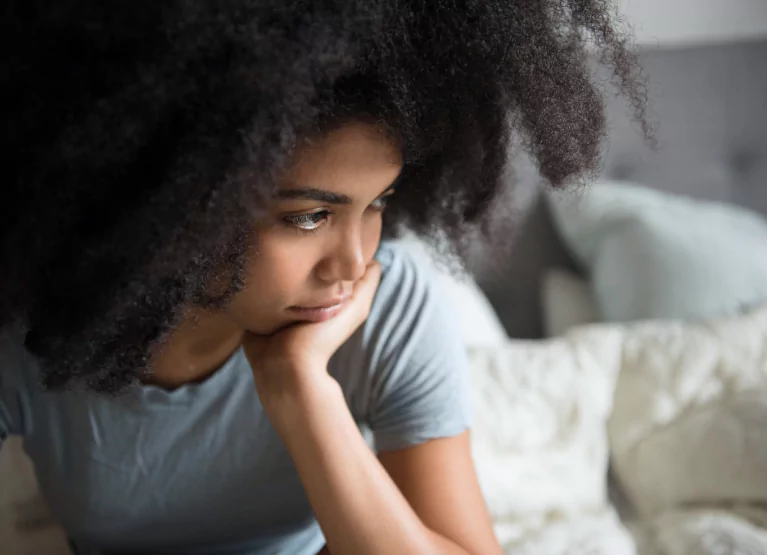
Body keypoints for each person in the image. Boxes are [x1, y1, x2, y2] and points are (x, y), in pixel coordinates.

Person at [0, 1, 646, 554]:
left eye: (377, 205)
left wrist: (299, 388)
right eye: (309, 216)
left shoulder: (391, 301)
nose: (352, 262)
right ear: (176, 201)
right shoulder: (28, 331)